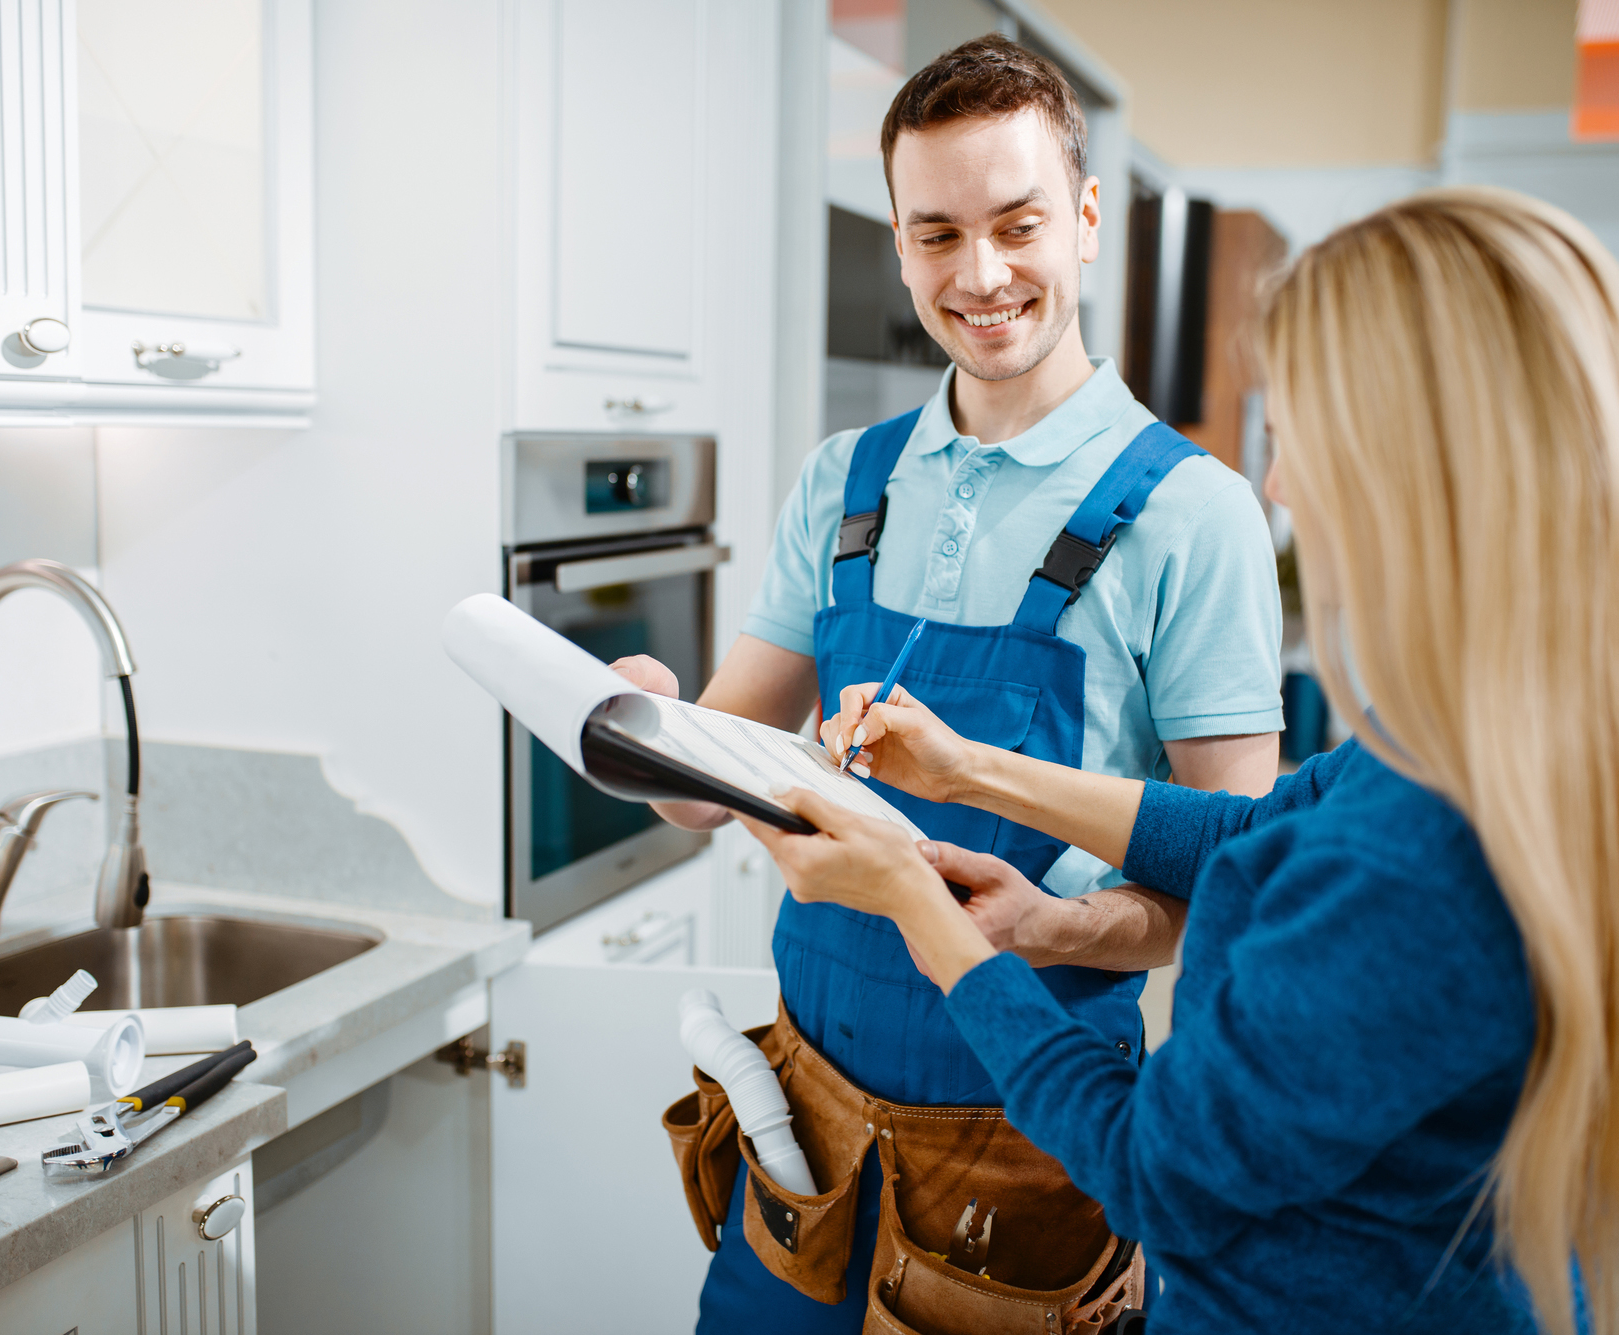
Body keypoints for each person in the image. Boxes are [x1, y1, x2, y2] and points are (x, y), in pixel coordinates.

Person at [743, 187, 1619, 1334]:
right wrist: (968, 774)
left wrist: (916, 902)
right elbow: (1249, 835)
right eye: (936, 232)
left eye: (1299, 433)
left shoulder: (1411, 863)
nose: (1283, 484)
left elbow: (1153, 1165)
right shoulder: (1477, 749)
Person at [625, 34, 1283, 1333]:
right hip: (796, 1132)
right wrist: (640, 732)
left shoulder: (1192, 518)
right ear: (897, 237)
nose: (977, 276)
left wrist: (1050, 926)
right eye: (934, 234)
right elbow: (710, 788)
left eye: (1016, 223)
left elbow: (1239, 890)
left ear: (1085, 222)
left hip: (1028, 1151)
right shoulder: (842, 480)